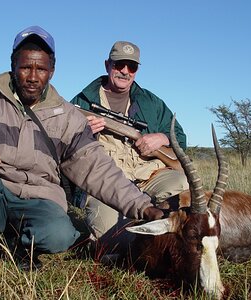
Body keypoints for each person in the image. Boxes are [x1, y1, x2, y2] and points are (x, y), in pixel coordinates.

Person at [0, 26, 164, 284]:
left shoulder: (69, 117)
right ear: (13, 66)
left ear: (52, 72)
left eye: (41, 69)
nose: (33, 77)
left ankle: (15, 243)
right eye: (25, 67)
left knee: (58, 235)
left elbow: (97, 169)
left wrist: (144, 207)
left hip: (38, 197)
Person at [71, 41, 189, 254]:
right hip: (106, 182)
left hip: (149, 175)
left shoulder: (151, 102)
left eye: (131, 67)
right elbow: (64, 146)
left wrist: (161, 138)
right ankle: (150, 230)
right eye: (119, 65)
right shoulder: (82, 102)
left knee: (182, 182)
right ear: (108, 65)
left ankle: (173, 230)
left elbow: (179, 136)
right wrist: (83, 134)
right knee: (110, 239)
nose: (125, 71)